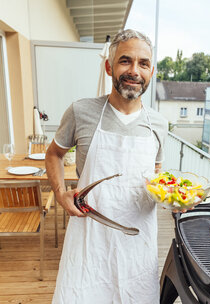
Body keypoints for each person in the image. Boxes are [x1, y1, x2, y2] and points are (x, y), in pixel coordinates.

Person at [46, 29, 168, 304]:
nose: (134, 71)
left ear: (151, 71)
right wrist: (60, 194)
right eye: (125, 61)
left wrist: (175, 200)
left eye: (144, 63)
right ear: (109, 66)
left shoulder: (159, 124)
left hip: (138, 242)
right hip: (89, 240)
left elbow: (157, 176)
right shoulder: (81, 111)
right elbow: (53, 154)